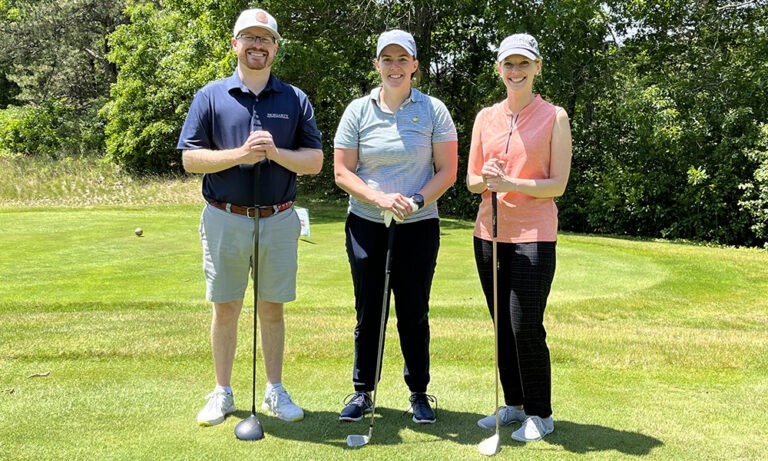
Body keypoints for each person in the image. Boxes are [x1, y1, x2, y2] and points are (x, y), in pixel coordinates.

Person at [177, 8, 323, 426]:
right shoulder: (210, 95)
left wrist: (276, 154)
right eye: (250, 37)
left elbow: (314, 161)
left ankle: (275, 390)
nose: (258, 45)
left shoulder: (294, 98)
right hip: (225, 215)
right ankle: (222, 392)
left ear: (275, 47)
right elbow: (191, 159)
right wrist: (240, 156)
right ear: (234, 43)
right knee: (226, 306)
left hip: (278, 218)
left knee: (272, 307)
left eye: (266, 39)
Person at [333, 29, 458, 424]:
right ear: (376, 65)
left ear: (415, 66)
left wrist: (417, 199)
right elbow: (342, 171)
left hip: (418, 225)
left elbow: (448, 171)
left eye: (402, 59)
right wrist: (379, 198)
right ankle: (362, 392)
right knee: (370, 312)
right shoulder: (358, 110)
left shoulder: (434, 110)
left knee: (414, 312)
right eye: (387, 59)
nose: (394, 67)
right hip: (367, 224)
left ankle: (419, 392)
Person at [466, 33, 572, 442]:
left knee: (525, 325)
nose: (515, 72)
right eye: (508, 65)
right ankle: (513, 404)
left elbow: (557, 184)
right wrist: (487, 179)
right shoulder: (485, 118)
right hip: (488, 233)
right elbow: (473, 181)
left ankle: (541, 413)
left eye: (523, 64)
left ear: (537, 67)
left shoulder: (554, 117)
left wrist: (509, 180)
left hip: (535, 234)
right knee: (501, 326)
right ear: (498, 70)